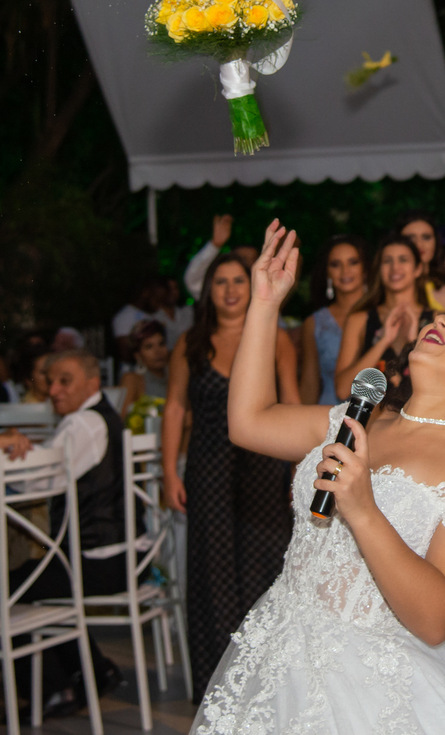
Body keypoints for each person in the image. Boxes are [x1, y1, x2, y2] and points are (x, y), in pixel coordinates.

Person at [190, 220, 445, 733]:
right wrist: (264, 304)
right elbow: (248, 422)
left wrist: (363, 510)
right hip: (283, 652)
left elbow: (437, 617)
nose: (444, 318)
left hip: (378, 686)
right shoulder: (358, 418)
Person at [160, 253, 301, 703]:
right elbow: (176, 407)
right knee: (212, 578)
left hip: (263, 469)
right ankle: (219, 695)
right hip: (208, 468)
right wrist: (168, 471)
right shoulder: (190, 343)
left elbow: (293, 403)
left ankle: (270, 691)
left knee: (266, 571)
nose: (230, 289)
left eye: (238, 280)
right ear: (209, 291)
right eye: (220, 281)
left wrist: (300, 470)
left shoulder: (275, 338)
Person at [8, 350, 132, 716]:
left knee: (10, 588)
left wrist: (15, 447)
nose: (54, 390)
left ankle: (52, 688)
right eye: (51, 382)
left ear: (92, 384)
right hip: (121, 554)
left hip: (100, 560)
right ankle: (94, 669)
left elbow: (36, 481)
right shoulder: (104, 417)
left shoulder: (81, 425)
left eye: (65, 381)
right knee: (36, 583)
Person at [335, 234, 431, 399]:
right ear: (379, 269)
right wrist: (383, 341)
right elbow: (342, 390)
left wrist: (414, 343)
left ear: (418, 269)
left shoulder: (436, 320)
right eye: (387, 261)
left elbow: (439, 388)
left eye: (403, 260)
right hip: (372, 421)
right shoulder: (359, 319)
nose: (395, 267)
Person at [300, 235, 369, 405]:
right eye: (335, 264)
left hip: (378, 417)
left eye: (353, 262)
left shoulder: (383, 314)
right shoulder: (314, 323)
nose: (345, 271)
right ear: (327, 271)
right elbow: (310, 383)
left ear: (365, 269)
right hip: (328, 415)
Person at [397, 211, 445, 311]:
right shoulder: (384, 293)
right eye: (410, 238)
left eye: (426, 237)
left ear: (436, 243)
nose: (419, 244)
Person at [183, 214, 260, 301]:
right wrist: (215, 245)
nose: (248, 263)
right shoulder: (222, 291)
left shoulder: (265, 293)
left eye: (253, 259)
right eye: (242, 258)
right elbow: (194, 282)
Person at [118, 319, 170, 417]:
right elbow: (122, 420)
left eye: (161, 344)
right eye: (149, 347)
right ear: (138, 355)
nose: (157, 351)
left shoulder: (176, 377)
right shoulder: (133, 380)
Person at [112, 278, 166, 366]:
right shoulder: (125, 316)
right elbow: (125, 353)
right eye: (158, 298)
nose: (160, 304)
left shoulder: (155, 314)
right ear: (146, 293)